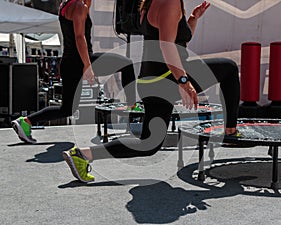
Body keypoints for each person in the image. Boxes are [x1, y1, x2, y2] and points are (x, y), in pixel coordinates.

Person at [62, 0, 241, 183]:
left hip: (153, 80)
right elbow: (167, 46)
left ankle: (82, 154)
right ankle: (230, 131)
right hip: (168, 76)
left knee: (148, 144)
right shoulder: (170, 2)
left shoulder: (150, 3)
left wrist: (193, 19)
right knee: (229, 68)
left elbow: (177, 42)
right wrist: (184, 82)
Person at [11, 0, 136, 144]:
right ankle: (132, 104)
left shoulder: (66, 4)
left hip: (69, 64)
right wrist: (87, 66)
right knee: (126, 64)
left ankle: (26, 121)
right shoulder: (79, 6)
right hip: (81, 61)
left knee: (67, 109)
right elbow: (79, 37)